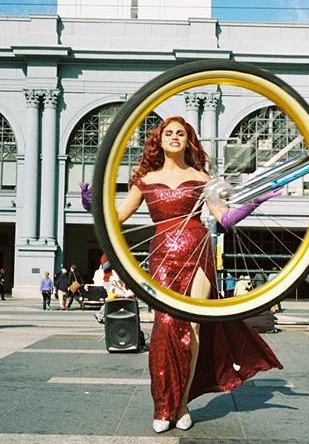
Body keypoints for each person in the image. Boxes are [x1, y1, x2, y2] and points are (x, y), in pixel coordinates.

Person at [83, 115, 283, 433]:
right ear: (159, 140)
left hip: (198, 252)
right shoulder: (145, 179)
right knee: (164, 327)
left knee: (193, 328)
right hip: (162, 257)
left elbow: (224, 218)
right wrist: (91, 204)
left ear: (187, 139)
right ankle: (163, 404)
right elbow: (117, 217)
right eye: (168, 132)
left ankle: (182, 403)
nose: (174, 136)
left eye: (180, 132)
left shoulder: (202, 176)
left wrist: (253, 203)